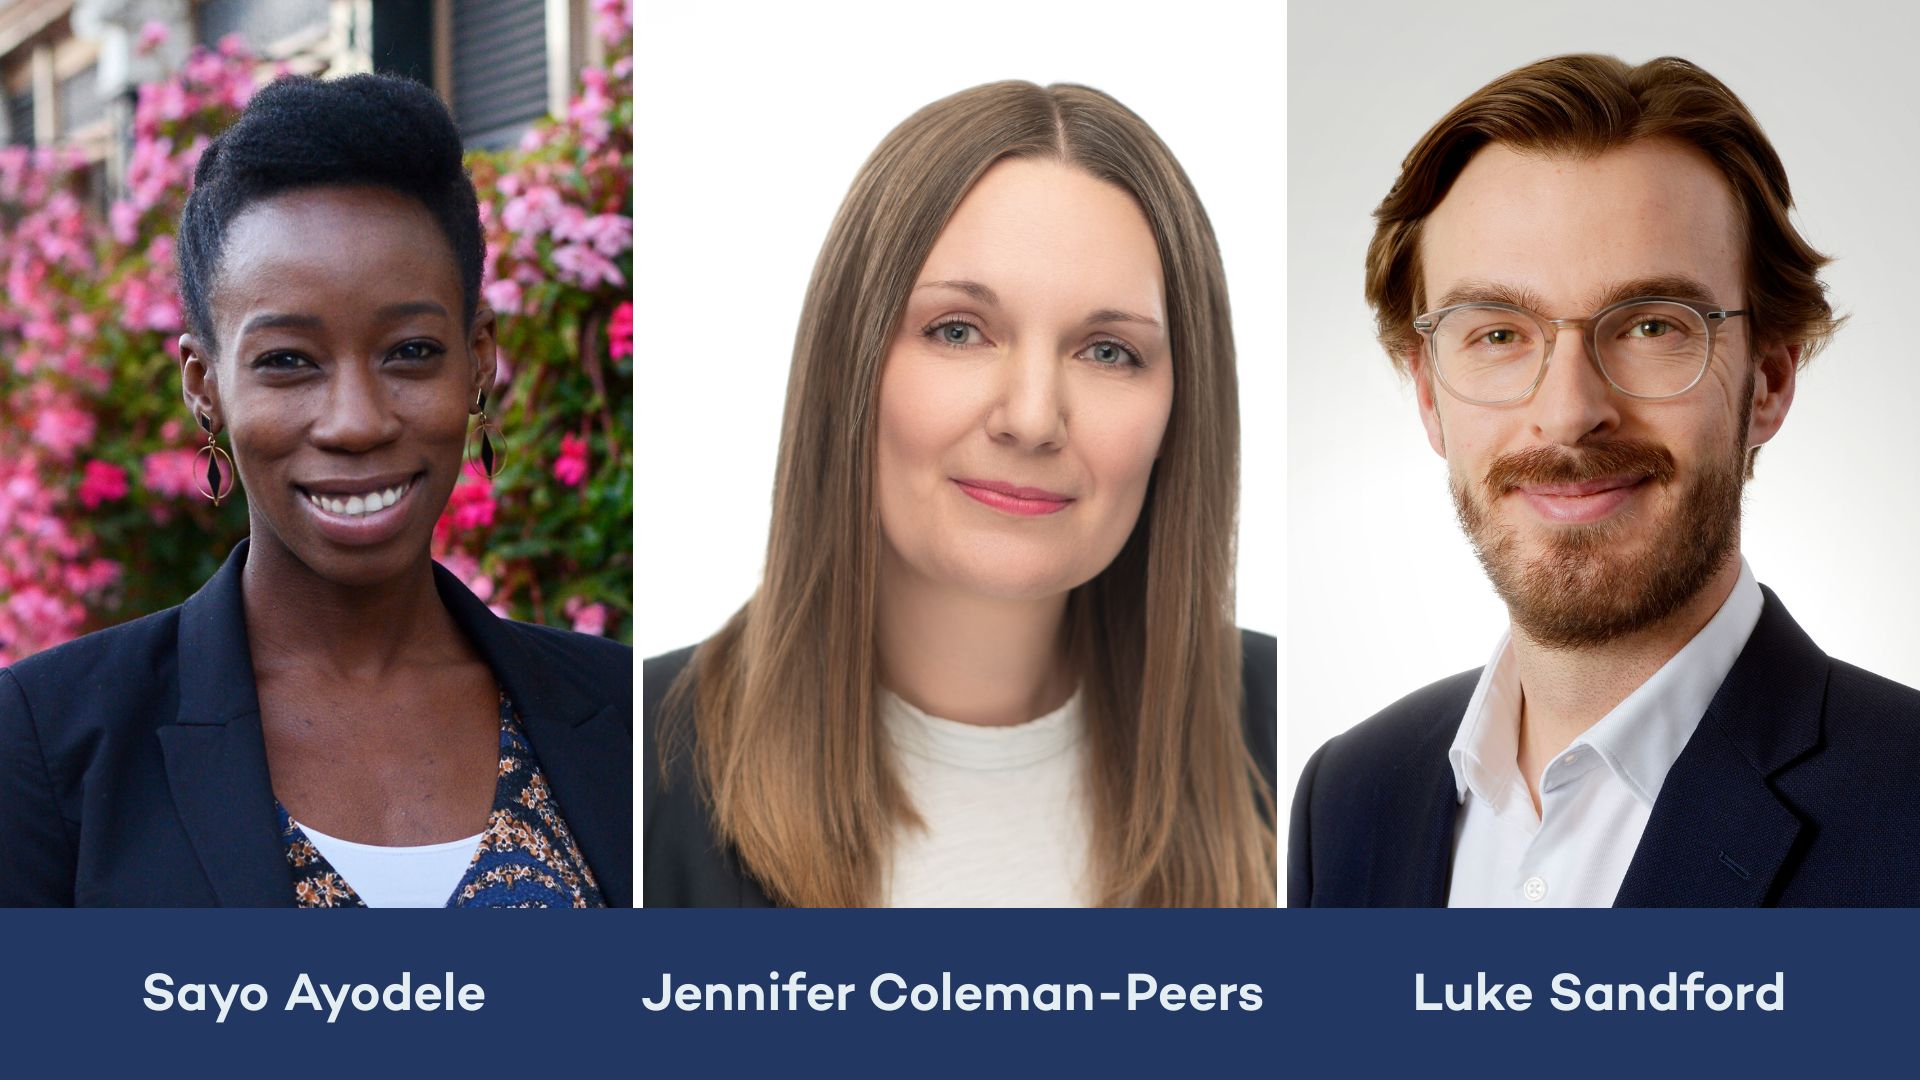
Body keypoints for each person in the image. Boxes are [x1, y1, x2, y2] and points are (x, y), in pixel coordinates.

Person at [1289, 54, 1920, 908]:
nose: (1568, 412)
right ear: (1430, 394)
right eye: (1499, 334)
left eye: (1651, 325)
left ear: (1769, 379)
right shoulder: (1349, 799)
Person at [0, 73, 630, 907]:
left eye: (410, 352)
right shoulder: (46, 744)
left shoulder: (631, 720)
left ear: (479, 359)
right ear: (204, 384)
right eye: (288, 361)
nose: (356, 422)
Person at [645, 81, 1275, 908]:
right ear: (850, 365)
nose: (1031, 416)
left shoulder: (1287, 737)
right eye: (958, 331)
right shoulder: (638, 761)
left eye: (1109, 351)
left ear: (1180, 406)